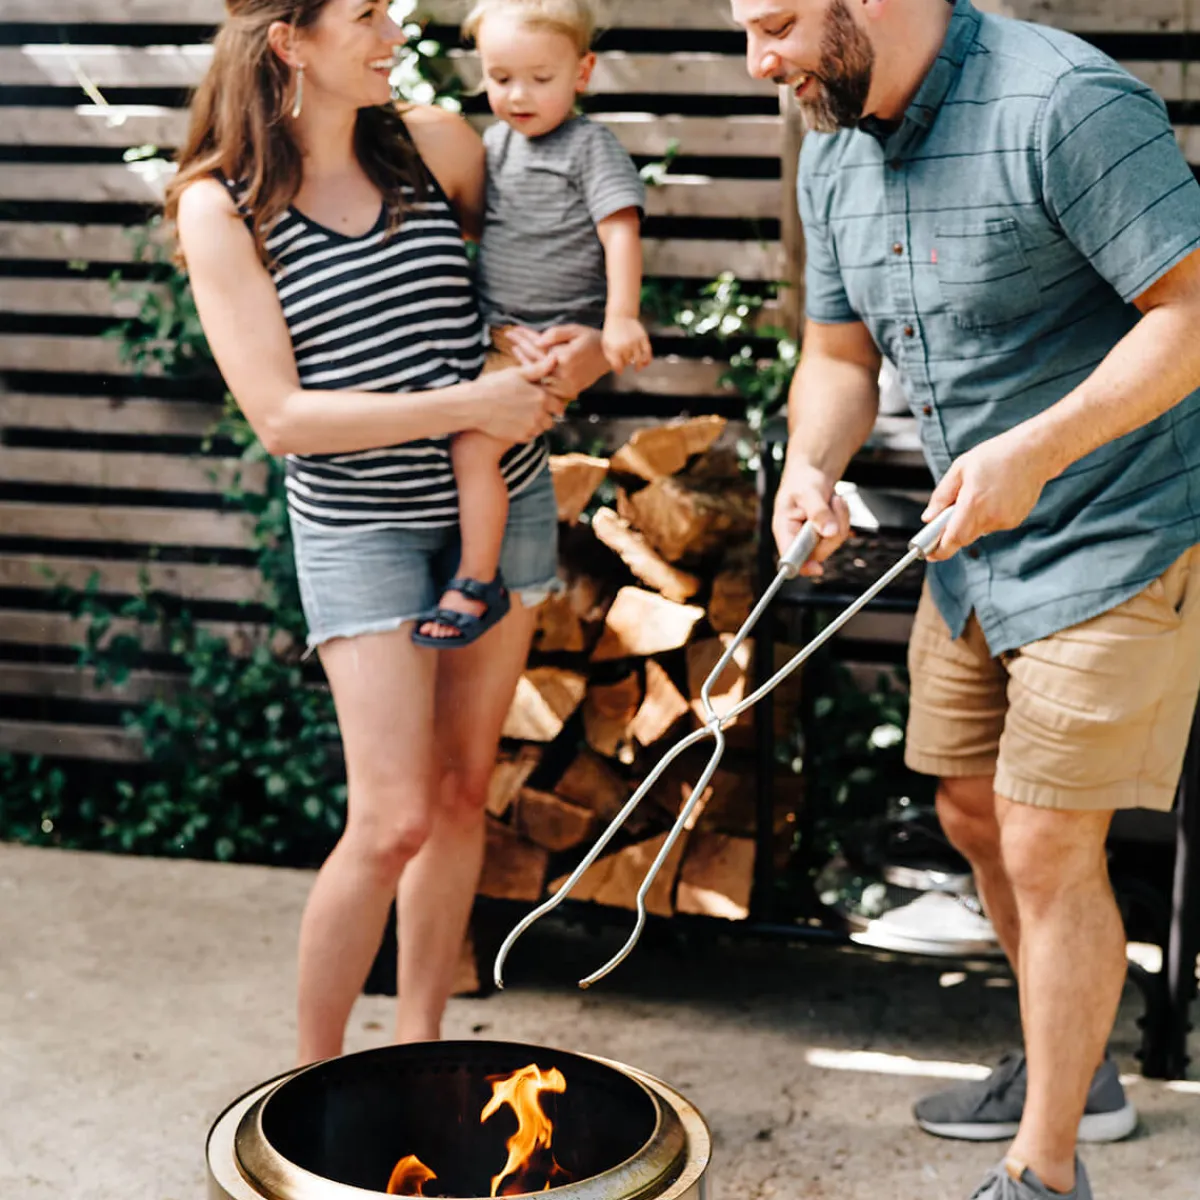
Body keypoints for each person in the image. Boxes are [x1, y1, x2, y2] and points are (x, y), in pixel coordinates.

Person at [733, 1, 1200, 1197]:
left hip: (1123, 527)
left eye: (777, 21)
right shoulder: (833, 141)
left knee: (1048, 841)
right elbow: (838, 358)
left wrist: (1035, 453)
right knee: (970, 811)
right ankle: (1077, 1072)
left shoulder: (1064, 103)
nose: (758, 60)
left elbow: (1192, 316)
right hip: (971, 548)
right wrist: (811, 466)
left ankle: (1044, 1177)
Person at [165, 0, 611, 1064]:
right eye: (365, 14)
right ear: (290, 39)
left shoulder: (440, 147)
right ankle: (311, 1092)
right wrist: (467, 406)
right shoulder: (218, 206)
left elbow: (543, 280)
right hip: (358, 528)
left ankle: (420, 1055)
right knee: (390, 821)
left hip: (495, 508)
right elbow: (282, 419)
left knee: (463, 796)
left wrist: (570, 354)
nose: (393, 33)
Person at [414, 0, 652, 649]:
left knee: (471, 446)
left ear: (583, 71)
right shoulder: (492, 144)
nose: (517, 96)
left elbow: (620, 231)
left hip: (554, 343)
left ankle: (476, 577)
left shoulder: (589, 146)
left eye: (539, 80)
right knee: (469, 446)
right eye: (499, 77)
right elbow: (487, 233)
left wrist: (619, 319)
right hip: (505, 336)